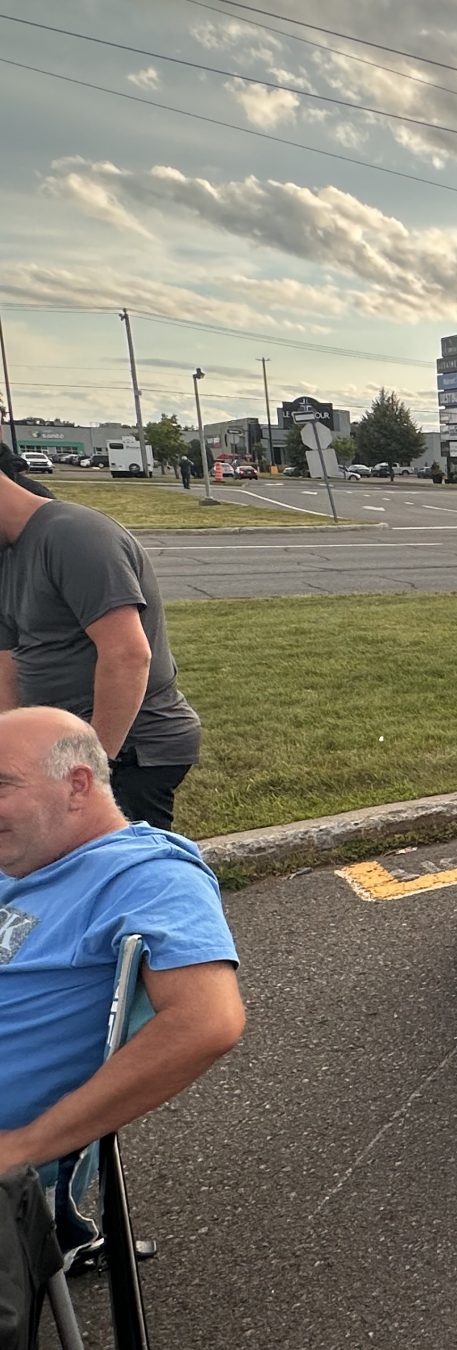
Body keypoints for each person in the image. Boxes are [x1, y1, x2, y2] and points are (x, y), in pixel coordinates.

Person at [0, 707, 243, 1201]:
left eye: (2, 785)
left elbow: (208, 1021)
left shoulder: (150, 877)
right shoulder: (27, 857)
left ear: (77, 785)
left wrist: (23, 1147)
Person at [0, 457, 202, 831]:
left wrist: (92, 770)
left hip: (130, 749)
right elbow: (6, 664)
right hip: (59, 753)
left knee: (120, 863)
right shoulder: (7, 557)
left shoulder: (71, 535)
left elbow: (127, 655)